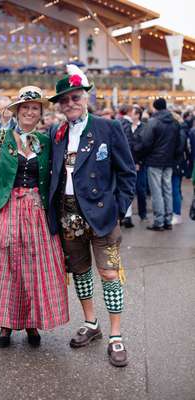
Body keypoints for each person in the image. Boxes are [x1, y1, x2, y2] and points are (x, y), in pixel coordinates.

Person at [48, 65, 136, 367]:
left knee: (109, 273)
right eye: (65, 100)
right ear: (60, 105)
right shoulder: (56, 132)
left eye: (75, 97)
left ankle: (116, 335)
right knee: (81, 273)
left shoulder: (108, 128)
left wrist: (118, 210)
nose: (70, 103)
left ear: (86, 96)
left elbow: (127, 173)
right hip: (68, 215)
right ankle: (91, 324)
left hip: (102, 216)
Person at [0, 86, 69, 348]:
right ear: (17, 110)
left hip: (37, 212)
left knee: (35, 268)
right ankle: (6, 324)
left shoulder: (45, 141)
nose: (30, 112)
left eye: (35, 109)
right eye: (26, 107)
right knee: (8, 266)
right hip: (8, 210)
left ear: (40, 113)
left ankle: (31, 323)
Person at [137, 98, 181, 231]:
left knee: (157, 192)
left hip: (155, 160)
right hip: (169, 161)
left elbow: (146, 142)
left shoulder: (153, 121)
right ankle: (168, 220)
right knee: (167, 190)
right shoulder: (174, 122)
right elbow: (178, 143)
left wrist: (141, 156)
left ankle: (159, 221)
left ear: (155, 108)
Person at [131, 105, 148, 221]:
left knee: (141, 190)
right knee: (128, 190)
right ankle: (126, 216)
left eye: (132, 113)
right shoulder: (127, 126)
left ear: (137, 115)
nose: (130, 115)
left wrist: (139, 162)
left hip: (140, 164)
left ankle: (143, 213)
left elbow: (145, 146)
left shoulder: (144, 127)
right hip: (128, 163)